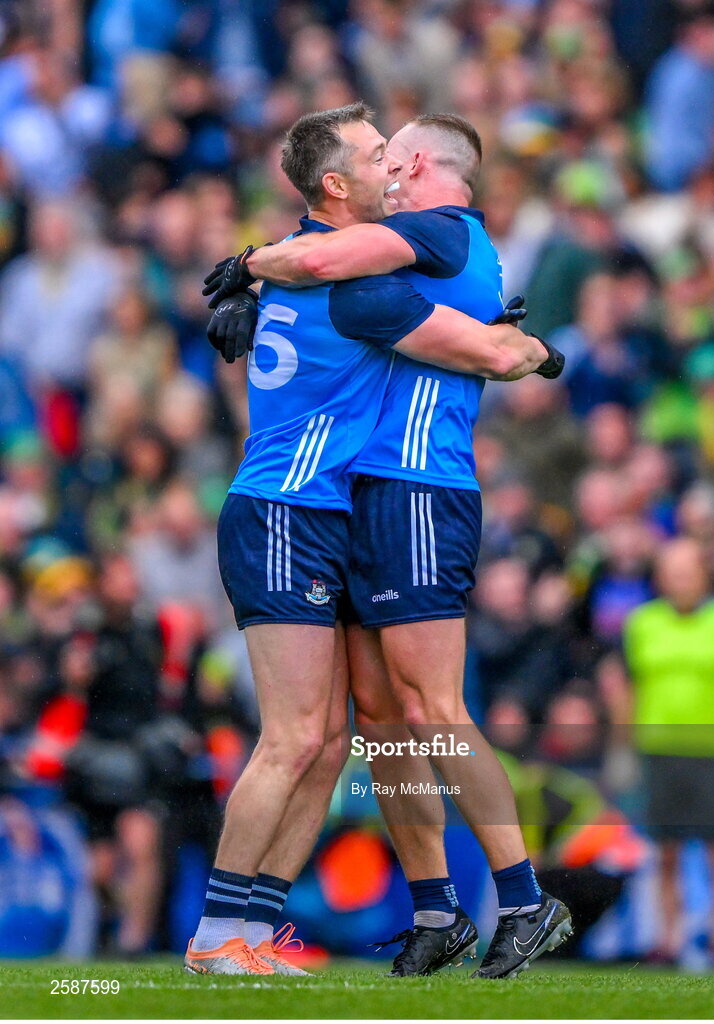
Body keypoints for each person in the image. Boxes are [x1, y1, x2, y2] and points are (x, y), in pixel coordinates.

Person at [186, 103, 551, 976]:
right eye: (376, 153)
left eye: (397, 151)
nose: (393, 164)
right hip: (289, 509)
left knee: (344, 734)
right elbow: (485, 351)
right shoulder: (356, 283)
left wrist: (245, 274)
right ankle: (215, 936)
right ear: (339, 184)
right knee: (300, 735)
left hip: (328, 510)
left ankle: (261, 930)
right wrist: (524, 343)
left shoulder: (327, 267)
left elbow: (307, 256)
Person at [609, 537, 714, 962]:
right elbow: (627, 685)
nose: (678, 580)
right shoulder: (642, 622)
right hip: (658, 749)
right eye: (670, 571)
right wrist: (621, 746)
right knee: (664, 851)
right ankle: (668, 939)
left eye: (686, 571)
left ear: (704, 574)